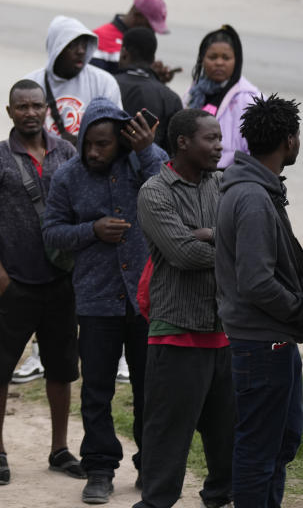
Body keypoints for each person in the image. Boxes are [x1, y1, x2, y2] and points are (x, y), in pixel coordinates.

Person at [42, 97, 167, 504]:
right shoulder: (66, 177)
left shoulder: (141, 166)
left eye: (104, 144)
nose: (95, 152)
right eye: (89, 144)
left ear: (122, 142)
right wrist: (92, 229)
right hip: (96, 300)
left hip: (145, 300)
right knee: (97, 389)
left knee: (151, 389)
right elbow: (53, 233)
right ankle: (99, 468)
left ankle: (151, 466)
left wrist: (146, 149)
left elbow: (170, 183)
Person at [0, 79, 82, 486]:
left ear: (46, 110)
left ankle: (59, 449)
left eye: (37, 105)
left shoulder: (67, 152)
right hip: (14, 281)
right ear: (9, 111)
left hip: (59, 282)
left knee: (61, 369)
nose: (31, 112)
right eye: (22, 107)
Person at [134, 108, 233, 508]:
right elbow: (182, 253)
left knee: (228, 444)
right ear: (182, 142)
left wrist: (209, 235)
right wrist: (224, 242)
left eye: (219, 138)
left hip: (225, 336)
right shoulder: (155, 192)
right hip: (176, 337)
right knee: (166, 448)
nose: (219, 146)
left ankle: (220, 499)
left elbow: (247, 240)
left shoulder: (225, 184)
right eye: (210, 139)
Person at [215, 94, 303, 508]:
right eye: (298, 135)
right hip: (262, 341)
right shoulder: (251, 197)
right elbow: (256, 282)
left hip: (274, 339)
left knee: (280, 444)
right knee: (258, 452)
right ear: (288, 140)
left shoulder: (260, 189)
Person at [25, 15, 121, 145]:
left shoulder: (103, 82)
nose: (81, 51)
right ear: (56, 48)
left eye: (84, 44)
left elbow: (115, 131)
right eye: (72, 45)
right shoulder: (31, 84)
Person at [186, 25, 260, 169]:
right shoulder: (194, 92)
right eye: (212, 57)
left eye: (226, 58)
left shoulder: (249, 98)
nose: (219, 62)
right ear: (202, 59)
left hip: (232, 176)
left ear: (236, 61)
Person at [113, 27, 182, 153]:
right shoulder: (171, 98)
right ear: (153, 58)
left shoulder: (107, 84)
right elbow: (174, 149)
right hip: (153, 169)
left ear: (124, 53)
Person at [90, 0, 170, 75]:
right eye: (151, 27)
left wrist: (155, 78)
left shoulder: (142, 43)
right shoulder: (98, 40)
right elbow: (95, 83)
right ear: (138, 16)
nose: (152, 33)